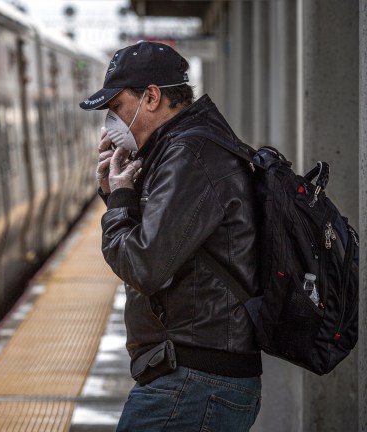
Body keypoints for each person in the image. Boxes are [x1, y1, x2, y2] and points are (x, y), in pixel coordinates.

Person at [79, 41, 262, 431]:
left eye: (116, 109)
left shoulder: (189, 156)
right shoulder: (181, 150)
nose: (111, 125)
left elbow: (144, 266)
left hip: (195, 379)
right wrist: (116, 194)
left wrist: (120, 201)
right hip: (195, 374)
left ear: (151, 96)